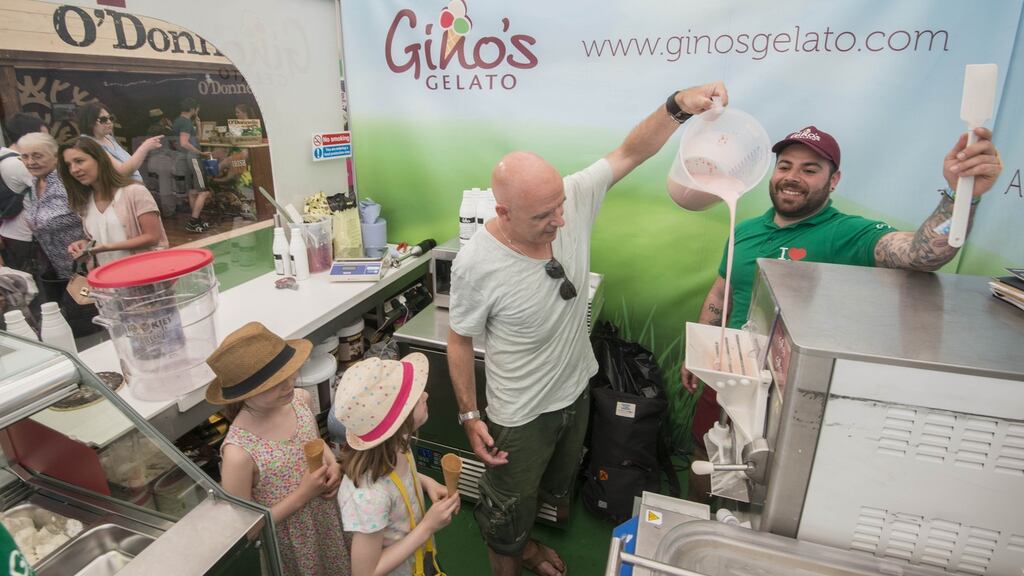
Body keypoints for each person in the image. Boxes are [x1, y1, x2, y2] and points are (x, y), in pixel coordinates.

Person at [446, 81, 729, 576]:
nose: (561, 219)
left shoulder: (571, 199)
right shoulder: (476, 265)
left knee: (550, 487)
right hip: (520, 414)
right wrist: (470, 414)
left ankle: (529, 545)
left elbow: (630, 152)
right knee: (506, 507)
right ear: (503, 213)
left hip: (574, 392)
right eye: (542, 215)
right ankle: (513, 555)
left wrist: (677, 106)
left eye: (560, 205)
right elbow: (459, 338)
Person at [681, 124, 1003, 501]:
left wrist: (958, 195)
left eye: (809, 169)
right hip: (730, 374)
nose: (792, 177)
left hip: (790, 393)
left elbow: (922, 254)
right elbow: (724, 292)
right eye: (785, 166)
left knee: (770, 485)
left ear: (834, 181)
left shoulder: (850, 234)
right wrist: (700, 351)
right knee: (706, 454)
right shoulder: (746, 229)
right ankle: (699, 518)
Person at [206, 322, 351, 576]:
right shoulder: (238, 454)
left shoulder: (299, 400)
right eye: (274, 383)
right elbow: (247, 530)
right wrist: (303, 494)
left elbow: (316, 444)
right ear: (243, 394)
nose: (289, 384)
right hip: (292, 546)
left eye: (289, 373)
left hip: (327, 521)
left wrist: (333, 466)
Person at [335, 354, 460, 576]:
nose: (426, 395)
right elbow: (365, 572)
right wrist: (427, 527)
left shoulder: (398, 445)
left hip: (418, 559)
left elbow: (398, 480)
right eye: (416, 397)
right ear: (400, 423)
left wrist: (426, 482)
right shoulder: (370, 496)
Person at [59, 137, 168, 267]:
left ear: (99, 159)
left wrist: (105, 247)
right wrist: (85, 245)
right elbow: (100, 236)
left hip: (144, 276)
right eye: (69, 165)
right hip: (108, 281)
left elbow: (152, 237)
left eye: (79, 161)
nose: (74, 169)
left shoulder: (134, 192)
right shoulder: (86, 202)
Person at [17, 132, 84, 304]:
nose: (30, 162)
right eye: (25, 156)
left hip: (84, 265)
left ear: (55, 157)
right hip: (57, 268)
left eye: (37, 156)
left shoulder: (69, 181)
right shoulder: (34, 183)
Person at [0, 114, 48, 272]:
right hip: (23, 238)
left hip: (16, 235)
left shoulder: (7, 157)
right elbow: (53, 186)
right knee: (34, 287)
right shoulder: (17, 164)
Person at [76, 102, 163, 182]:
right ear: (89, 122)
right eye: (103, 119)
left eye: (111, 118)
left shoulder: (107, 137)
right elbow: (121, 172)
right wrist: (145, 147)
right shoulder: (89, 144)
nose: (109, 122)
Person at [172, 97, 212, 233]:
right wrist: (200, 153)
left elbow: (195, 139)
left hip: (184, 158)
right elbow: (184, 142)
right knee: (204, 191)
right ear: (193, 109)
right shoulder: (185, 123)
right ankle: (193, 221)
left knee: (193, 192)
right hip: (193, 158)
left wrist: (198, 125)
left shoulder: (178, 121)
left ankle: (197, 220)